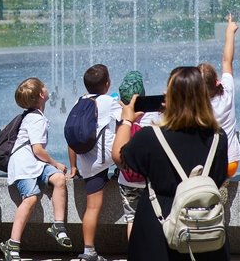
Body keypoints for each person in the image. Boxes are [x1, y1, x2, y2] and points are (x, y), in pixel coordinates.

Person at [112, 66, 229, 261]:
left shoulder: (151, 137)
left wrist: (126, 121)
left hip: (158, 224)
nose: (164, 92)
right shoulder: (219, 138)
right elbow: (219, 177)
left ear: (172, 98)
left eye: (169, 89)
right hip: (203, 226)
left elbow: (119, 156)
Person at [0, 77, 72, 261]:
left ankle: (58, 226)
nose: (47, 88)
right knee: (31, 198)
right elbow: (37, 149)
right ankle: (12, 243)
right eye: (44, 87)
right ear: (42, 94)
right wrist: (56, 163)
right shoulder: (36, 119)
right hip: (24, 164)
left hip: (34, 163)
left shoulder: (34, 116)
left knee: (59, 180)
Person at [68, 64, 120, 261]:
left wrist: (74, 166)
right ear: (107, 84)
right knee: (127, 132)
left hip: (87, 163)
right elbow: (127, 117)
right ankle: (125, 173)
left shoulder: (79, 101)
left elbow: (71, 136)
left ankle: (89, 250)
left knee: (91, 207)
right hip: (106, 158)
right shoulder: (108, 101)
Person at [114, 70, 161, 240]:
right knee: (155, 217)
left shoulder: (120, 117)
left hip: (127, 179)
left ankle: (134, 253)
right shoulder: (153, 116)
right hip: (149, 178)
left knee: (131, 219)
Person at [199, 14, 240, 177]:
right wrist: (230, 33)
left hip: (205, 162)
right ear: (217, 81)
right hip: (230, 163)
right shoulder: (227, 93)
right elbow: (226, 61)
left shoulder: (195, 106)